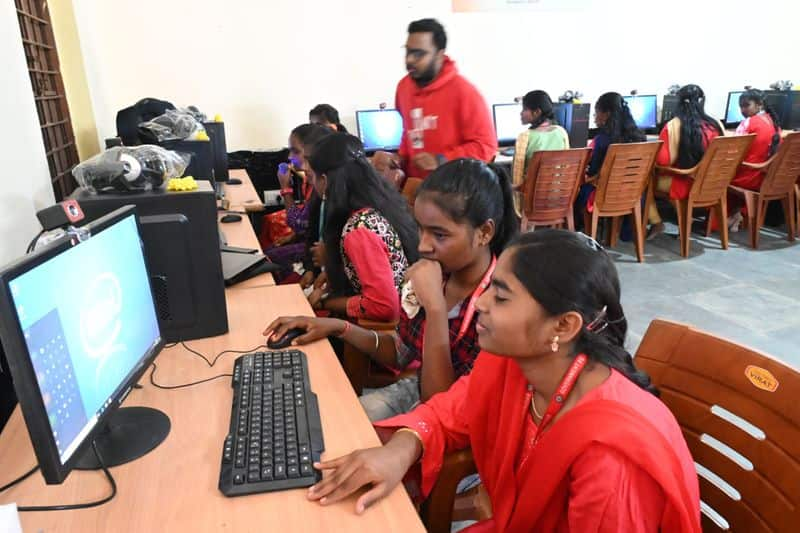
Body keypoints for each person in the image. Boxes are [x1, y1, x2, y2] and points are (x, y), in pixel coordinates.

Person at [304, 230, 701, 532]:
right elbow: (453, 408)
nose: (480, 303)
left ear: (563, 325)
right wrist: (401, 449)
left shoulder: (611, 458)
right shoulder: (518, 365)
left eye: (502, 296)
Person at [264, 159, 517, 421]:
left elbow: (439, 407)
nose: (423, 246)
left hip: (457, 422)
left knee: (337, 435)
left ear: (485, 232)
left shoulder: (500, 308)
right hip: (416, 391)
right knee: (320, 421)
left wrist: (436, 309)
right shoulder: (437, 276)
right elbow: (399, 352)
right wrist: (338, 328)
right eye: (421, 229)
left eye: (439, 235)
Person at [303, 133, 418, 322]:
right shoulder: (379, 203)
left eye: (312, 177)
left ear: (324, 179)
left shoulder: (359, 230)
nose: (312, 183)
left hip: (385, 332)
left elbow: (383, 306)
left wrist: (325, 302)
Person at [395, 18, 497, 178]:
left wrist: (442, 160)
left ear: (440, 55)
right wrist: (398, 158)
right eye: (408, 51)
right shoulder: (403, 88)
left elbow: (486, 147)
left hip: (452, 193)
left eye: (418, 54)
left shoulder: (464, 92)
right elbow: (410, 131)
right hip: (415, 191)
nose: (409, 59)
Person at [647, 84, 724, 238]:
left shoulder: (673, 126)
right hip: (712, 182)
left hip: (685, 182)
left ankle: (656, 223)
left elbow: (663, 161)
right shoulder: (716, 124)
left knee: (643, 183)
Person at [260, 124, 333, 278]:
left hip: (319, 249)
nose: (289, 157)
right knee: (268, 250)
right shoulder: (311, 178)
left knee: (268, 258)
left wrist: (285, 188)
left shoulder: (322, 182)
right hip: (312, 242)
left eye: (295, 151)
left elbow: (298, 223)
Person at [577, 92, 645, 231]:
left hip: (605, 194)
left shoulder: (603, 140)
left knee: (578, 189)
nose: (595, 117)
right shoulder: (640, 138)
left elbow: (594, 172)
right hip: (632, 193)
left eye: (597, 113)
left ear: (606, 114)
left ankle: (579, 230)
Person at [511, 90, 570, 215]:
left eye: (524, 109)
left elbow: (517, 175)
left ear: (537, 112)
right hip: (557, 197)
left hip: (532, 201)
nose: (521, 113)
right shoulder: (561, 132)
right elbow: (566, 168)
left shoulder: (525, 137)